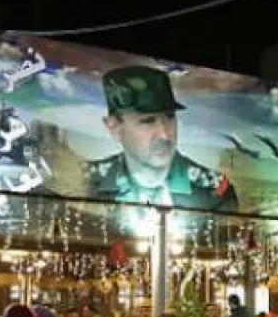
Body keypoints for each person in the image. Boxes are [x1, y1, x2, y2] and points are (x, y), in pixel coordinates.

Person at [86, 65, 237, 212]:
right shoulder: (87, 182)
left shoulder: (213, 192)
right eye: (148, 120)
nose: (165, 134)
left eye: (170, 117)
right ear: (114, 127)